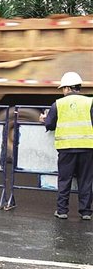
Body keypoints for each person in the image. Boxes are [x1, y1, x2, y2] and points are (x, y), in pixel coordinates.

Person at [39, 71, 93, 220]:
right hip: (87, 147)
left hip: (66, 148)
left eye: (63, 88)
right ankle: (86, 212)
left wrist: (43, 119)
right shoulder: (90, 102)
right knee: (86, 180)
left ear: (68, 88)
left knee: (65, 179)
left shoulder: (58, 104)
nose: (63, 91)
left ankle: (62, 211)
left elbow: (50, 124)